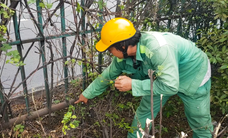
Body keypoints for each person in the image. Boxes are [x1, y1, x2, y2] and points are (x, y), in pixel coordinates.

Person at [74, 17, 213, 138]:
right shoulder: (125, 56)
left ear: (122, 45)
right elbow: (106, 76)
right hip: (163, 77)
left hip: (193, 73)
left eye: (110, 50)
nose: (111, 53)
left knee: (198, 119)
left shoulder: (158, 49)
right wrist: (87, 94)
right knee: (145, 112)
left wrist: (133, 85)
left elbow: (170, 86)